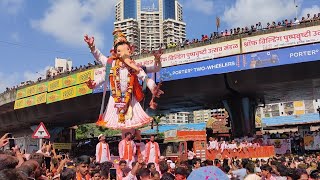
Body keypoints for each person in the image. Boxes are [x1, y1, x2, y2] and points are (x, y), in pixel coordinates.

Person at [84, 29, 164, 130]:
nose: (124, 53)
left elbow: (149, 74)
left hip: (130, 100)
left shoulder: (133, 66)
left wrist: (153, 87)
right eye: (120, 51)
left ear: (130, 50)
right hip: (114, 100)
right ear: (115, 53)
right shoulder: (111, 64)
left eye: (126, 50)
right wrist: (92, 46)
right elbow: (99, 59)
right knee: (123, 130)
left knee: (130, 129)